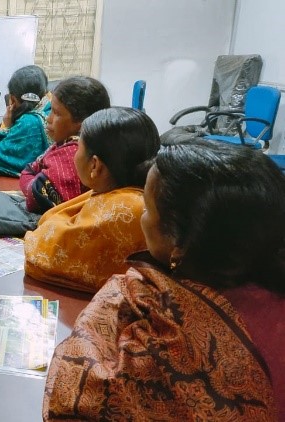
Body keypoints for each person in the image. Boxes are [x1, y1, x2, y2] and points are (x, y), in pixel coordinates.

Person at [44, 139, 284, 420]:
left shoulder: (168, 334)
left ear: (180, 242)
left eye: (146, 208)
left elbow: (76, 393)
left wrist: (113, 296)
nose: (141, 217)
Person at [24, 107, 160, 292]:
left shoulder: (127, 208)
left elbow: (44, 253)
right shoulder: (120, 190)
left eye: (78, 147)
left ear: (95, 165)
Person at [19, 76, 111, 213]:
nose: (48, 119)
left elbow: (37, 196)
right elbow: (30, 170)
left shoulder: (72, 153)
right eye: (50, 110)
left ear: (82, 123)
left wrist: (30, 178)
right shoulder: (67, 145)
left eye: (56, 113)